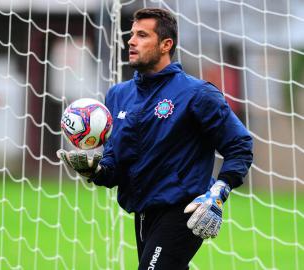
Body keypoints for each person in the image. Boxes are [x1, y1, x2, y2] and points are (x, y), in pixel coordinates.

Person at [57, 8, 253, 270]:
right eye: (131, 35)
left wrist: (218, 193)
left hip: (185, 212)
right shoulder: (118, 95)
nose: (131, 41)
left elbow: (240, 145)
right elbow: (116, 163)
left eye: (141, 35)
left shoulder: (197, 93)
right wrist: (95, 170)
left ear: (165, 45)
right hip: (143, 214)